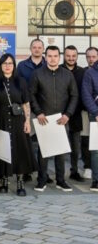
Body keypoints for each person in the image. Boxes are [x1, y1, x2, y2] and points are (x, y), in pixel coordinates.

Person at [29, 45, 79, 192]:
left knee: (60, 152)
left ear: (59, 57)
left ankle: (61, 180)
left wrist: (68, 114)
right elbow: (31, 95)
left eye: (55, 56)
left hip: (61, 119)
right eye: (49, 56)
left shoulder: (67, 75)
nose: (52, 58)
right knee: (43, 152)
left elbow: (74, 95)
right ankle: (41, 180)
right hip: (43, 118)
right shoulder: (37, 74)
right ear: (46, 57)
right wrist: (38, 112)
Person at [0, 54, 36, 196]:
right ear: (0, 65)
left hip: (18, 120)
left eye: (10, 63)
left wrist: (27, 121)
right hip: (1, 119)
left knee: (20, 150)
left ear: (14, 65)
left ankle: (20, 182)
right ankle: (4, 180)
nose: (7, 66)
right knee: (2, 149)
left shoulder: (21, 81)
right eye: (4, 63)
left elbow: (26, 103)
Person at [61, 45, 86, 182]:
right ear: (64, 56)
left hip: (76, 113)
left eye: (73, 56)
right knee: (59, 145)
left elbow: (84, 92)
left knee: (76, 146)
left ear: (77, 56)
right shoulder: (58, 70)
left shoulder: (82, 72)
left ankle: (74, 171)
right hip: (60, 114)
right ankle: (58, 174)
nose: (71, 58)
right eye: (68, 55)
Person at [81, 54, 98, 191]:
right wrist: (96, 112)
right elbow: (86, 94)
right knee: (96, 151)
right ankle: (96, 180)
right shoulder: (90, 73)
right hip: (96, 116)